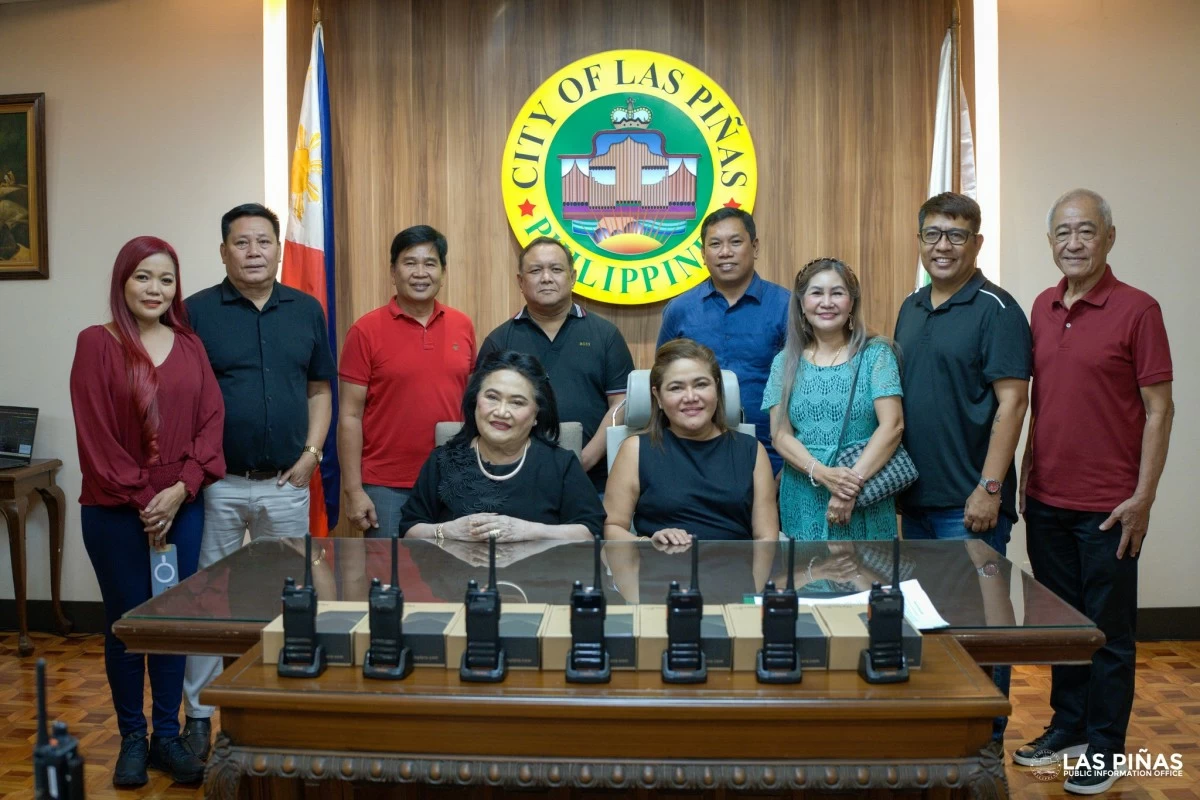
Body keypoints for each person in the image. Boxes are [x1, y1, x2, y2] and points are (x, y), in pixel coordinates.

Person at [1015, 189, 1173, 795]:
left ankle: (1105, 749)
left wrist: (1144, 497)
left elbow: (1161, 410)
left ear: (1109, 238)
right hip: (1049, 499)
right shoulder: (1042, 305)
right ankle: (1067, 727)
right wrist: (1030, 469)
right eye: (1062, 233)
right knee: (1064, 628)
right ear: (1050, 242)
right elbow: (1042, 403)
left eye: (1085, 231)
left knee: (1108, 635)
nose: (1073, 243)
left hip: (1111, 508)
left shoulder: (1139, 309)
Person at [180, 203, 336, 759]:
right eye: (241, 243)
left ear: (278, 248)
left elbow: (320, 388)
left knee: (285, 597)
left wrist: (313, 454)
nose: (253, 252)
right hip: (218, 484)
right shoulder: (195, 312)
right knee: (207, 601)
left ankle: (280, 703)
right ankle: (198, 716)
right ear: (224, 251)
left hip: (287, 484)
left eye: (263, 242)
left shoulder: (306, 310)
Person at [69, 237, 225, 787]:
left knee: (172, 624)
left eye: (165, 279)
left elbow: (211, 424)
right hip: (115, 512)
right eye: (143, 277)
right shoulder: (97, 343)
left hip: (181, 509)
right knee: (128, 625)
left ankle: (167, 738)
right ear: (122, 282)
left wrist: (180, 490)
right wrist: (145, 499)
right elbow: (96, 438)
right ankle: (132, 739)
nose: (155, 289)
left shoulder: (190, 346)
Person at [893, 192, 1030, 744]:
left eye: (956, 235)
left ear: (977, 243)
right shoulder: (911, 306)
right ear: (920, 240)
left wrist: (989, 489)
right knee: (929, 620)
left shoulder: (998, 309)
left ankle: (987, 736)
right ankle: (943, 726)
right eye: (933, 234)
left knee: (983, 625)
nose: (943, 246)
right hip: (916, 501)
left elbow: (1013, 403)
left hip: (971, 502)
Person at [339, 225, 475, 537]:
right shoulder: (365, 330)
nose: (420, 272)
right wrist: (353, 490)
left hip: (451, 479)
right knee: (388, 579)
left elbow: (472, 405)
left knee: (447, 579)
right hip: (386, 486)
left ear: (443, 271)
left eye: (430, 263)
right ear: (393, 271)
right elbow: (349, 415)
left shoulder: (462, 325)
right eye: (409, 262)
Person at [477, 236, 633, 492]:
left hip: (594, 482)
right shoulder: (500, 340)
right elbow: (483, 409)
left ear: (572, 277)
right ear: (520, 281)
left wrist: (585, 459)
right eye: (536, 270)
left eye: (556, 269)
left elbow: (622, 404)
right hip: (516, 480)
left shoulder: (605, 335)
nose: (546, 278)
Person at [763, 258, 904, 541]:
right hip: (803, 493)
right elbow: (779, 434)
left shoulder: (876, 355)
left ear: (852, 303)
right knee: (807, 578)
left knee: (867, 579)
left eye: (837, 293)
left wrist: (848, 486)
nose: (826, 302)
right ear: (802, 303)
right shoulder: (784, 362)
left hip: (865, 490)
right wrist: (823, 474)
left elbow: (893, 426)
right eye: (816, 293)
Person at [398, 350, 604, 542]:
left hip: (539, 577)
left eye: (517, 402)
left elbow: (591, 531)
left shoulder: (560, 464)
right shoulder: (443, 461)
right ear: (475, 401)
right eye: (492, 397)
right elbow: (409, 529)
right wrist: (447, 531)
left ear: (536, 416)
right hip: (457, 577)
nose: (501, 412)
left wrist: (530, 531)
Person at [604, 338, 778, 545]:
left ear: (717, 389)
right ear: (657, 397)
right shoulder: (635, 449)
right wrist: (647, 544)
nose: (690, 397)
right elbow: (611, 528)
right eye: (676, 388)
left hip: (733, 572)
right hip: (661, 570)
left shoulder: (751, 450)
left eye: (701, 384)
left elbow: (766, 539)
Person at [657, 208, 790, 472]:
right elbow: (664, 382)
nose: (725, 252)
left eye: (735, 242)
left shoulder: (788, 307)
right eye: (715, 244)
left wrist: (790, 468)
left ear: (754, 247)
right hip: (693, 454)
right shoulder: (680, 310)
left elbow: (805, 387)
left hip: (774, 452)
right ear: (703, 254)